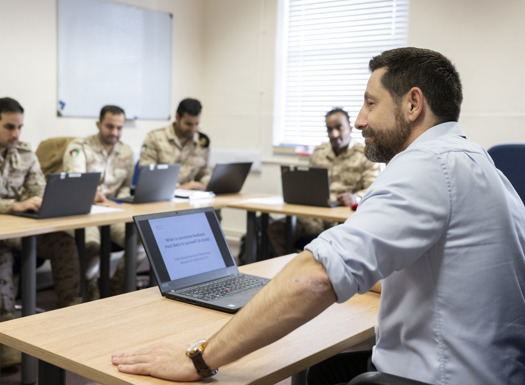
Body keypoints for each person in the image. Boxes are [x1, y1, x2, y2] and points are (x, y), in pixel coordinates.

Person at [111, 48, 525, 384]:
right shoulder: (481, 165)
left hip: (437, 375)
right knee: (326, 369)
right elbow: (442, 269)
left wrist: (198, 358)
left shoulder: (425, 165)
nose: (360, 120)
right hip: (491, 368)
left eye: (370, 103)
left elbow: (315, 277)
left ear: (413, 103)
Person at [0, 97, 81, 367]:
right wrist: (14, 204)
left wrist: (37, 200)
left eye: (19, 127)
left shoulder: (24, 152)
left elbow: (37, 187)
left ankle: (72, 311)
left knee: (62, 241)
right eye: (9, 127)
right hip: (2, 235)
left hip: (20, 228)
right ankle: (6, 332)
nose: (16, 134)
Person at [267, 107, 381, 256]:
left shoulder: (366, 154)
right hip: (317, 218)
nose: (334, 134)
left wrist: (356, 198)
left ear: (350, 129)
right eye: (329, 129)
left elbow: (374, 189)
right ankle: (289, 272)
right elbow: (309, 185)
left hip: (344, 221)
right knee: (277, 228)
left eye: (339, 128)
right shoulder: (319, 153)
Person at [62, 105, 136, 297]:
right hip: (84, 210)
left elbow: (126, 187)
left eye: (119, 128)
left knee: (143, 241)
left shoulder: (126, 151)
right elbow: (75, 183)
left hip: (113, 211)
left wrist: (120, 202)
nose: (114, 132)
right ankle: (89, 289)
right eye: (109, 126)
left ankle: (117, 286)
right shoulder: (79, 148)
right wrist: (91, 194)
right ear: (98, 124)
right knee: (91, 246)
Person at [139, 98, 212, 190]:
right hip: (160, 195)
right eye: (188, 124)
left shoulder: (202, 142)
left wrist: (209, 184)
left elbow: (203, 174)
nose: (193, 129)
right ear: (177, 117)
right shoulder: (154, 138)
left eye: (196, 124)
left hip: (190, 197)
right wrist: (181, 188)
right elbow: (148, 176)